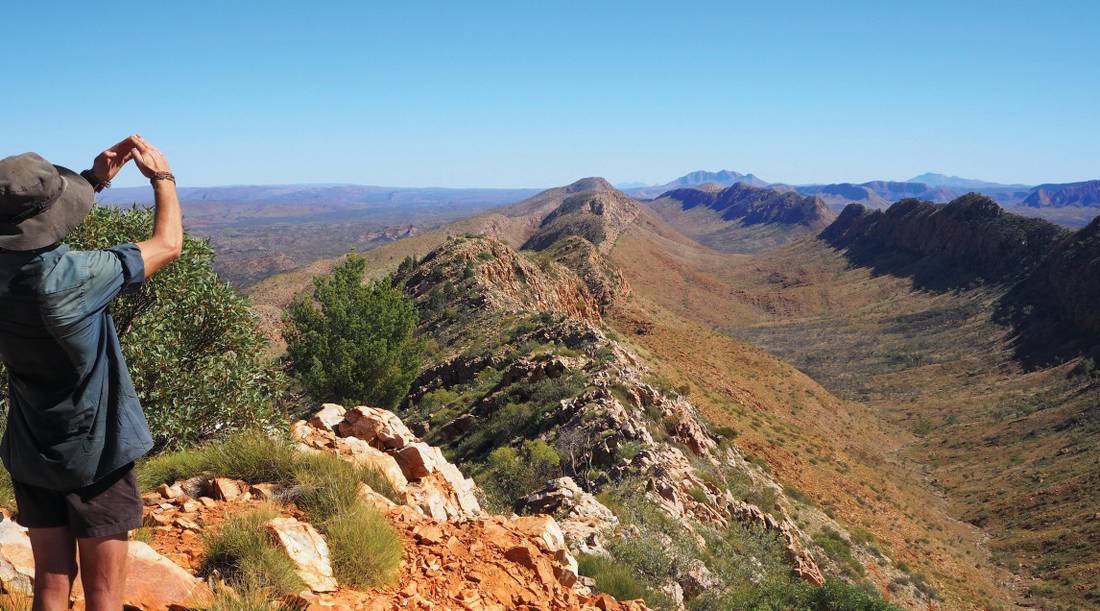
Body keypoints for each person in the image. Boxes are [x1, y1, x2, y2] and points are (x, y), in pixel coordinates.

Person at [0, 135, 181, 611]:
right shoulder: (77, 276)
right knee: (104, 597)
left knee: (51, 586)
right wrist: (162, 178)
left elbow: (29, 243)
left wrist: (94, 179)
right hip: (96, 452)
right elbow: (168, 244)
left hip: (30, 447)